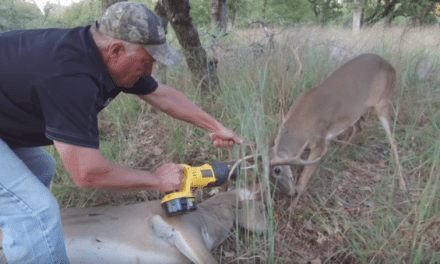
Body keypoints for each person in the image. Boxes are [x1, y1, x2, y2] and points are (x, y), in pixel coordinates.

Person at [0, 2, 241, 263]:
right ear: (115, 50)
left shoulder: (100, 54)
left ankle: (11, 241)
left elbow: (162, 94)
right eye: (147, 61)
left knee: (41, 168)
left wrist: (215, 126)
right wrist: (157, 180)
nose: (149, 71)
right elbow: (87, 173)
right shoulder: (70, 79)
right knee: (36, 212)